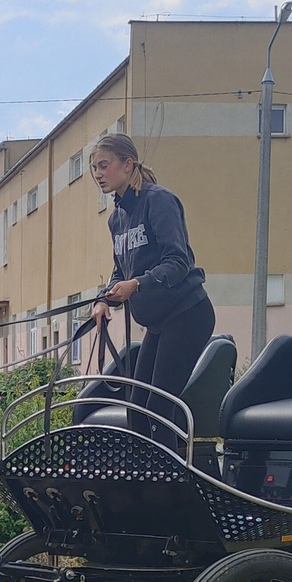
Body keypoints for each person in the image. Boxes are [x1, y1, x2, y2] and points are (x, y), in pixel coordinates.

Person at [88, 132, 216, 446]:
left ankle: (172, 485)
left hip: (188, 314)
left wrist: (139, 284)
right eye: (94, 168)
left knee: (159, 408)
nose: (98, 174)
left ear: (127, 164)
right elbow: (122, 270)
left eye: (104, 165)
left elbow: (178, 261)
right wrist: (104, 299)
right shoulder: (116, 219)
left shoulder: (158, 200)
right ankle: (144, 481)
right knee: (137, 409)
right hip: (159, 323)